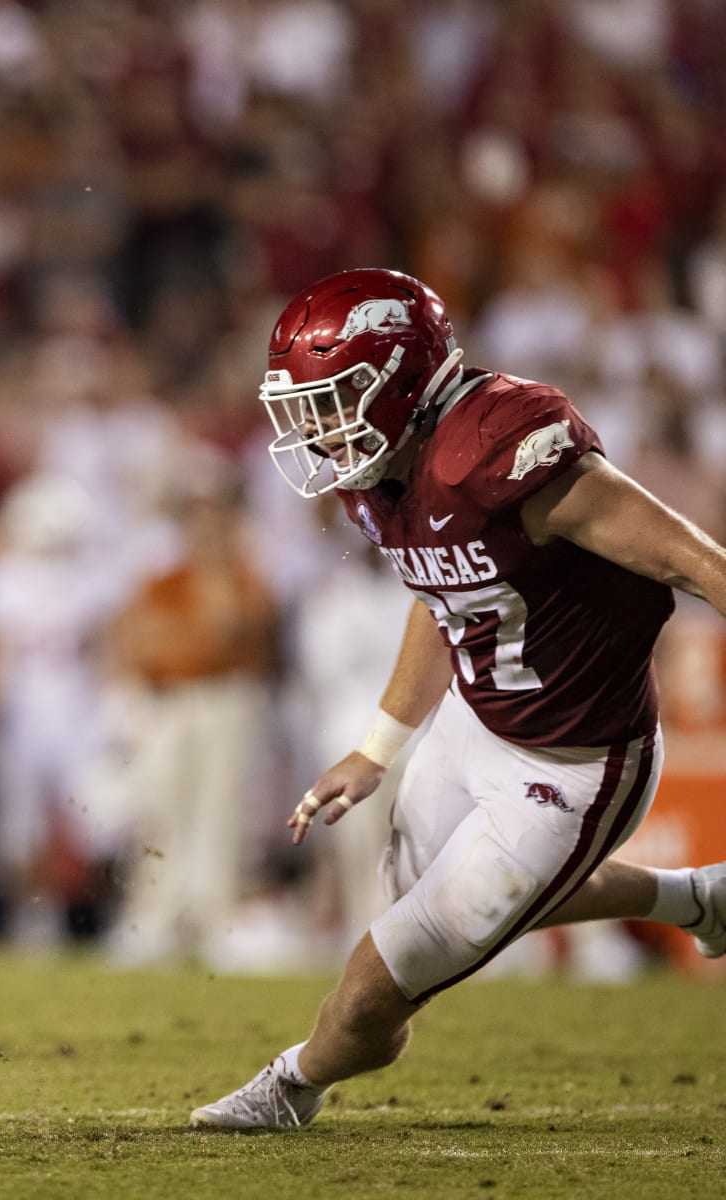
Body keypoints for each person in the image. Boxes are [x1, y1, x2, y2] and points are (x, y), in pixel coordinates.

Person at [190, 268, 726, 1130]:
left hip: (579, 763)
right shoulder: (382, 469)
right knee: (433, 913)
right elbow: (443, 595)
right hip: (476, 725)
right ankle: (700, 899)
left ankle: (290, 1086)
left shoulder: (505, 454)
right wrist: (375, 750)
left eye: (335, 400)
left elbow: (694, 562)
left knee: (375, 992)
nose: (319, 429)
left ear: (402, 382)